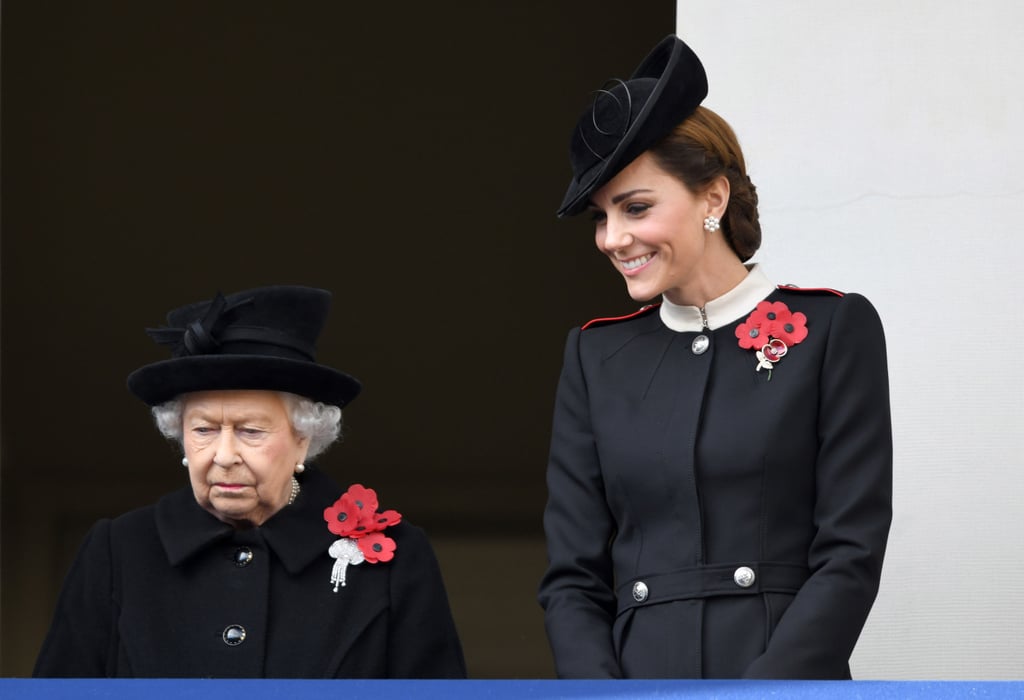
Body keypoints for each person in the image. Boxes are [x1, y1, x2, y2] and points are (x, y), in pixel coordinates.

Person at [537, 35, 892, 679]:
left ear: (713, 199)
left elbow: (849, 554)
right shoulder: (596, 355)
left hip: (786, 687)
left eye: (636, 207)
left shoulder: (833, 329)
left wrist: (762, 699)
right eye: (600, 216)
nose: (612, 239)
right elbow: (572, 581)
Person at [34, 285, 466, 678]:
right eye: (203, 430)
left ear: (304, 441)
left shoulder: (392, 559)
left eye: (251, 431)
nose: (223, 456)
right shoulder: (119, 550)